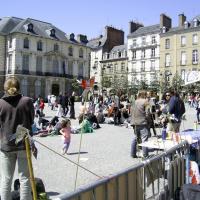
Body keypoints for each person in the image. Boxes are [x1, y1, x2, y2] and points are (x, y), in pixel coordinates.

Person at [0, 77, 35, 200]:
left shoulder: (1, 103)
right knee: (25, 178)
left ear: (5, 89)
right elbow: (31, 120)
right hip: (23, 144)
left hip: (6, 145)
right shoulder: (27, 101)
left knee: (6, 179)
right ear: (19, 88)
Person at [131, 90, 149, 158]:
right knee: (144, 138)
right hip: (142, 122)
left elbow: (131, 112)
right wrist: (148, 120)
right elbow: (148, 113)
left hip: (134, 122)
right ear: (144, 95)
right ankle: (145, 155)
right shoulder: (145, 101)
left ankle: (132, 153)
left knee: (136, 138)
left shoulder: (134, 102)